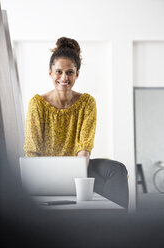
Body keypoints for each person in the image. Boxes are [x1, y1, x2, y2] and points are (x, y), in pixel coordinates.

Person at [24, 37, 128, 208]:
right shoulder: (37, 104)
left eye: (70, 72)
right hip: (47, 171)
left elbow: (84, 149)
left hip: (80, 168)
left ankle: (118, 225)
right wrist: (43, 181)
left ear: (77, 74)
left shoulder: (87, 102)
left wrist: (76, 180)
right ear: (50, 72)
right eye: (59, 71)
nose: (64, 77)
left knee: (117, 169)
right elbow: (32, 151)